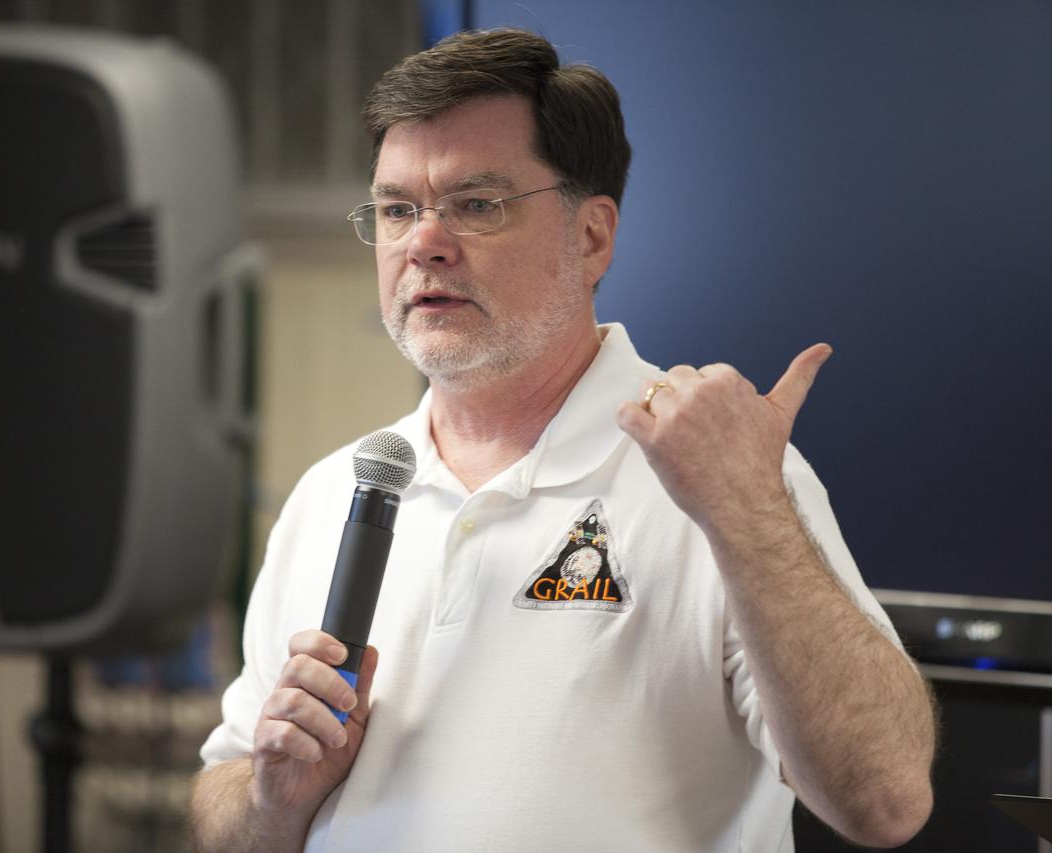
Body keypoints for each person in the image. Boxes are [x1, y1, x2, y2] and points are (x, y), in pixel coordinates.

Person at [190, 27, 935, 853]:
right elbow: (222, 819)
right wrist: (274, 798)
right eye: (397, 208)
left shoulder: (724, 479)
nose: (423, 242)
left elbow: (886, 799)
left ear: (592, 237)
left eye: (477, 203)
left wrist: (749, 511)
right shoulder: (335, 492)